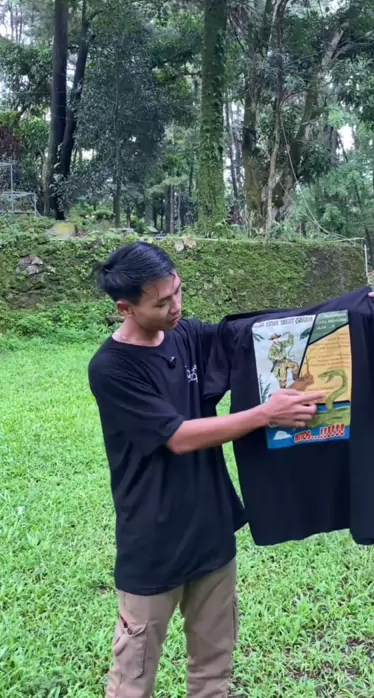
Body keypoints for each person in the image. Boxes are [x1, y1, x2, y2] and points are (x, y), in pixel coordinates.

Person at [88, 242, 326, 698]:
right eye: (162, 302)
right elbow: (178, 437)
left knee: (214, 671)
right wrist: (266, 414)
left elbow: (260, 332)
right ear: (126, 308)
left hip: (212, 531)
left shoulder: (188, 335)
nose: (176, 306)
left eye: (178, 291)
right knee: (132, 678)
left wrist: (357, 312)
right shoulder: (111, 368)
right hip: (153, 542)